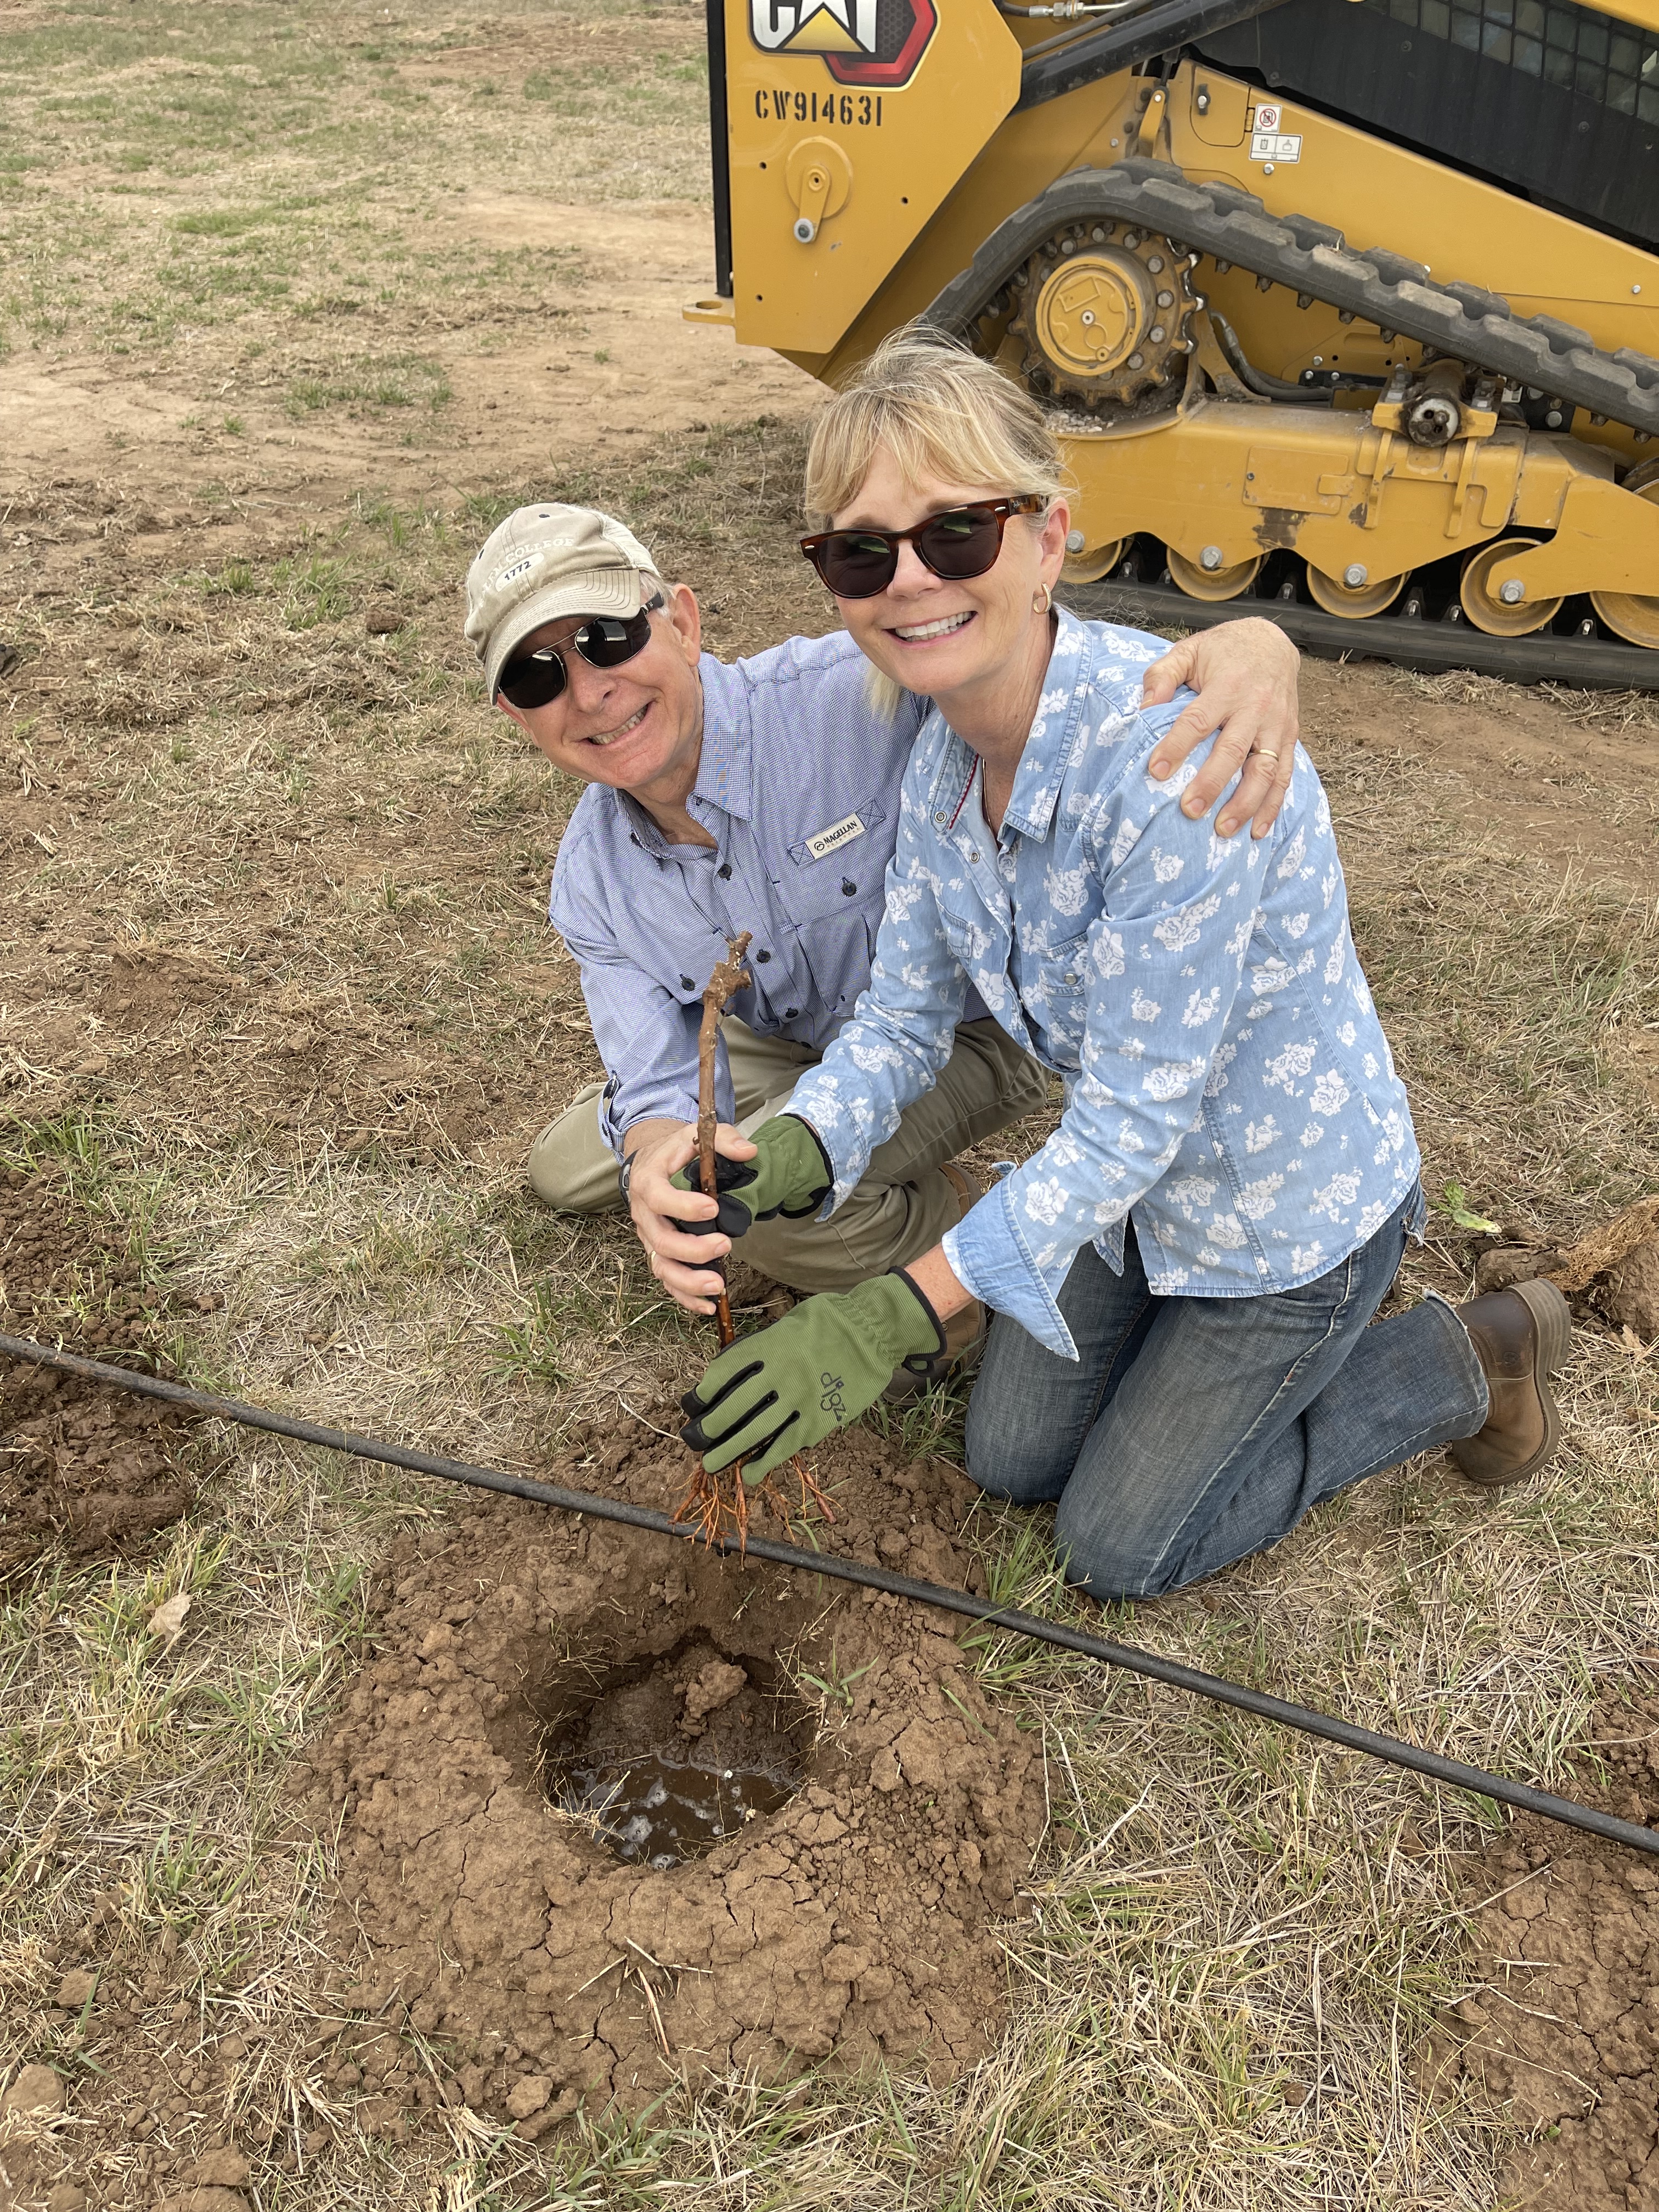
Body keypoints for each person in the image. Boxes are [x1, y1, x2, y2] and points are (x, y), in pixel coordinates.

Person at [679, 328, 1570, 1600]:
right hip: (1129, 1208)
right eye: (861, 551)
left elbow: (1129, 1122)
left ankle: (1466, 1357)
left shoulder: (1175, 764)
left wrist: (889, 1313)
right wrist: (797, 1150)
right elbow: (898, 1020)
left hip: (1281, 1225)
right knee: (1009, 1458)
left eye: (958, 533)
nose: (911, 579)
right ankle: (1179, 1364)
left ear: (1046, 539)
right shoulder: (936, 767)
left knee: (1119, 1546)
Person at [464, 499, 1304, 1386]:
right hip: (787, 1033)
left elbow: (1030, 651)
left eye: (605, 637)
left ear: (682, 620)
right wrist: (652, 1165)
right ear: (519, 718)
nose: (588, 690)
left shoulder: (859, 696)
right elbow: (653, 1081)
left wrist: (1255, 645)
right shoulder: (591, 880)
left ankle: (949, 1281)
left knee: (766, 1212)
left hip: (965, 1025)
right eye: (536, 676)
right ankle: (818, 1165)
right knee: (580, 1171)